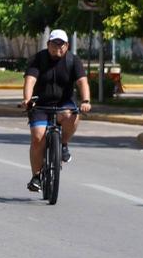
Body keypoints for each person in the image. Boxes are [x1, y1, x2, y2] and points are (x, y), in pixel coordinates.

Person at [20, 28, 91, 192]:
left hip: (63, 104)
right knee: (38, 137)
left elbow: (82, 82)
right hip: (40, 104)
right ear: (48, 44)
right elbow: (30, 80)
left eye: (61, 44)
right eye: (54, 43)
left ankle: (63, 144)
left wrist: (86, 101)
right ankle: (36, 176)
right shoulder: (38, 59)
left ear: (67, 45)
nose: (57, 47)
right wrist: (27, 99)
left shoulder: (73, 61)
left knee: (72, 115)